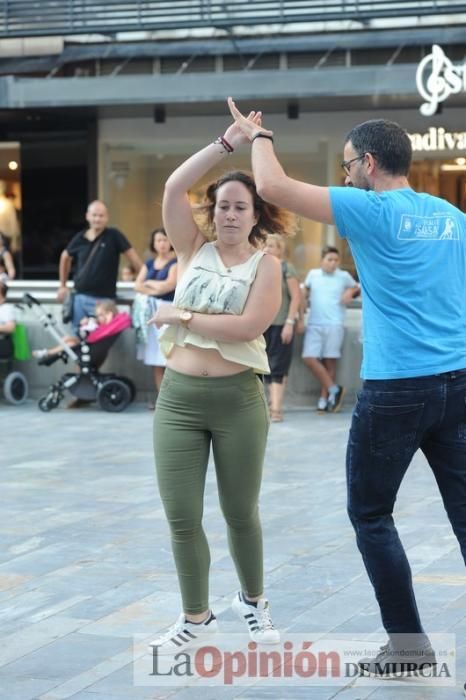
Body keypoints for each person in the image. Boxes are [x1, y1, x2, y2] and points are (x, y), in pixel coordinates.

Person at [228, 99, 466, 678]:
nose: (344, 176)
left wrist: (258, 135)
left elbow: (271, 185)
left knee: (371, 514)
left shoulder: (371, 209)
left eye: (345, 166)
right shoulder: (452, 217)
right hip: (458, 381)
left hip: (397, 389)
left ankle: (409, 649)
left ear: (366, 164)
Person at [147, 115, 294, 655]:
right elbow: (172, 187)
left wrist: (180, 317)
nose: (230, 213)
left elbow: (248, 328)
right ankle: (196, 616)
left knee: (240, 511)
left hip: (238, 401)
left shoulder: (266, 265)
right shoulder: (191, 249)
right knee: (182, 516)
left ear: (256, 215)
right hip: (180, 401)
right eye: (223, 205)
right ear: (212, 213)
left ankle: (253, 603)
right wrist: (225, 144)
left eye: (241, 205)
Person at [57, 200, 142, 332]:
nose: (97, 219)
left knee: (101, 341)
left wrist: (143, 281)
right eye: (94, 215)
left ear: (107, 217)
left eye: (101, 215)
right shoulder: (80, 238)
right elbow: (65, 257)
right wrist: (62, 285)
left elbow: (134, 259)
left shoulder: (114, 235)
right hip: (80, 297)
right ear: (87, 216)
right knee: (78, 338)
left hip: (105, 301)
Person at [302, 245, 359, 413]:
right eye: (329, 260)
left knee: (329, 361)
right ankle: (335, 389)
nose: (333, 263)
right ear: (322, 260)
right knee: (309, 358)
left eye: (336, 260)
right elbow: (303, 290)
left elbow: (358, 286)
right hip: (314, 323)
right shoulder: (313, 275)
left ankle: (326, 399)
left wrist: (350, 293)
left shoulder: (343, 276)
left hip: (335, 323)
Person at [133, 227, 177, 405]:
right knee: (155, 358)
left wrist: (149, 284)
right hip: (150, 313)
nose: (162, 244)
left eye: (165, 240)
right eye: (159, 240)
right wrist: (154, 286)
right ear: (154, 243)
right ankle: (162, 400)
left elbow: (169, 286)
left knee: (168, 356)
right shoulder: (149, 263)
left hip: (167, 311)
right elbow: (137, 285)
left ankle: (173, 400)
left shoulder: (176, 263)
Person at [263, 233, 301, 422]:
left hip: (281, 324)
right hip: (261, 325)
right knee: (265, 366)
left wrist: (290, 323)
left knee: (278, 366)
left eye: (271, 246)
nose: (267, 249)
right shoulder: (259, 267)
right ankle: (271, 404)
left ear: (280, 249)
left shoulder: (287, 268)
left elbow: (296, 297)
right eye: (265, 245)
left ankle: (276, 409)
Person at [32, 300, 131, 364]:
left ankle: (48, 352)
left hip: (90, 348)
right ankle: (47, 352)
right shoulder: (107, 326)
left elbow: (92, 336)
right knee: (68, 340)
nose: (98, 318)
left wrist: (85, 325)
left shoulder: (108, 327)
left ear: (109, 314)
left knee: (70, 342)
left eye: (100, 315)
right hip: (89, 345)